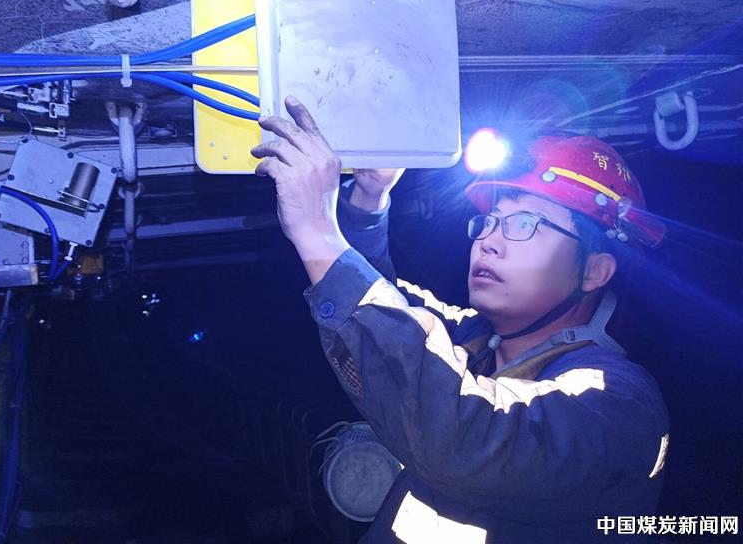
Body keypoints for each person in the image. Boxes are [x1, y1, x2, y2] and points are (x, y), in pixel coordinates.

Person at [252, 96, 669, 543]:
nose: (488, 240)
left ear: (594, 271)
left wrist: (317, 233)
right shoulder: (475, 340)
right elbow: (385, 305)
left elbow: (461, 435)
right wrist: (368, 202)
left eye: (524, 223)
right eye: (489, 221)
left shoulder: (618, 403)